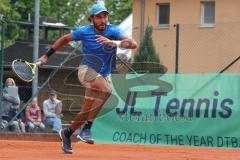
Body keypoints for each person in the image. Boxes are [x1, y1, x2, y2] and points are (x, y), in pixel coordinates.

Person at [38, 3, 137, 154]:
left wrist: (115, 42)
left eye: (105, 16)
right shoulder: (84, 31)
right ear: (91, 19)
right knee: (107, 90)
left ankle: (67, 133)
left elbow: (133, 44)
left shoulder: (113, 31)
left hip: (102, 75)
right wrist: (46, 55)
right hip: (86, 70)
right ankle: (87, 128)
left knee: (85, 111)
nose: (102, 20)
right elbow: (65, 39)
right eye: (98, 17)